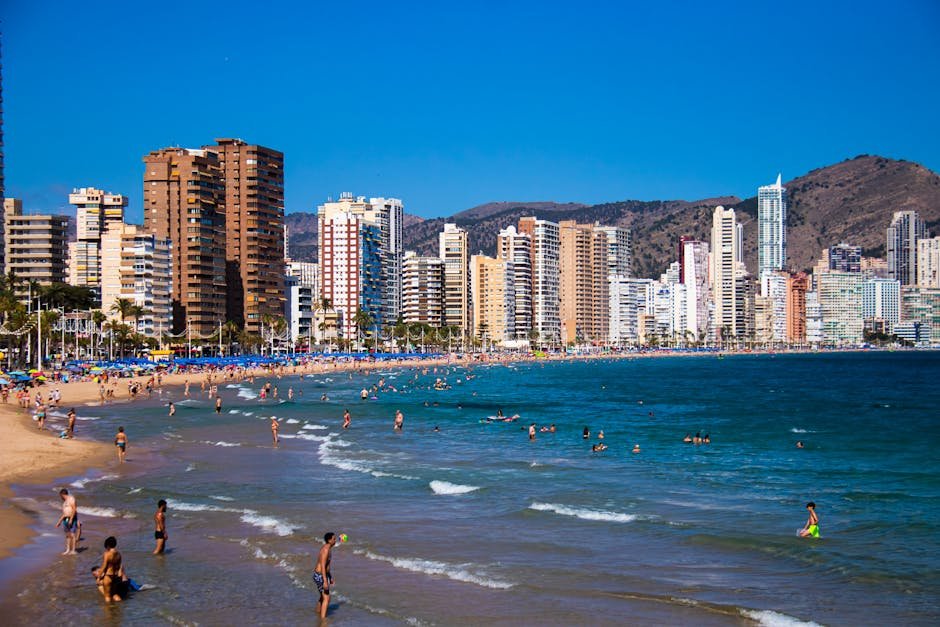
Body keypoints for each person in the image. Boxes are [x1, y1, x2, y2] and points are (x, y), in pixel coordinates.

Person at [313, 532, 338, 619]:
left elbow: (327, 566)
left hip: (322, 575)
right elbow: (323, 566)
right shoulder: (325, 550)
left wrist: (330, 577)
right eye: (334, 539)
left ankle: (317, 613)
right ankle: (323, 621)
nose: (335, 540)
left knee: (323, 597)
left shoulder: (329, 549)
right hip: (319, 575)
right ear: (329, 540)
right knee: (327, 598)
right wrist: (325, 581)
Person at [95, 536, 125, 602]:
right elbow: (119, 566)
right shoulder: (118, 554)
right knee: (114, 594)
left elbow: (104, 566)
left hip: (108, 576)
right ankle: (120, 607)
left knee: (107, 596)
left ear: (108, 545)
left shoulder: (107, 554)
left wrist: (99, 577)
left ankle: (108, 611)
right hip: (115, 576)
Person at [56, 488, 78, 555]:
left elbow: (74, 509)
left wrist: (71, 519)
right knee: (67, 535)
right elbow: (64, 514)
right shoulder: (64, 502)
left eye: (60, 496)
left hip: (72, 518)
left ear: (62, 494)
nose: (60, 497)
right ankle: (68, 550)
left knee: (72, 534)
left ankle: (73, 550)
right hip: (65, 519)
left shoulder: (71, 499)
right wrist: (59, 522)